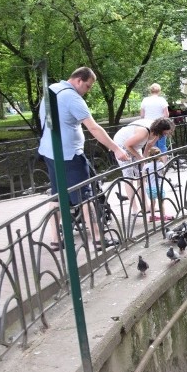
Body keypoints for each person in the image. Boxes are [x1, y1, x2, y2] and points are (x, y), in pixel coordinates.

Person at [38, 66, 129, 249]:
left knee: (57, 196)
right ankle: (98, 240)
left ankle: (56, 240)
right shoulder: (71, 96)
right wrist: (115, 148)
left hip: (50, 153)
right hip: (69, 156)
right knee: (86, 197)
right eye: (88, 86)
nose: (87, 91)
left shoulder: (52, 89)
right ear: (79, 80)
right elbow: (94, 128)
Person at [113, 118, 175, 215]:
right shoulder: (144, 132)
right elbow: (127, 144)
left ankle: (146, 207)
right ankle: (135, 208)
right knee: (128, 175)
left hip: (134, 145)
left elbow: (149, 144)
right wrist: (139, 157)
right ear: (160, 129)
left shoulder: (157, 133)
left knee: (141, 175)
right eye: (165, 133)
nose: (166, 135)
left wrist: (144, 159)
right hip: (122, 145)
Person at [142, 146, 173, 222]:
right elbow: (163, 173)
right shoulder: (160, 164)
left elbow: (143, 175)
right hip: (158, 187)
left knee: (152, 203)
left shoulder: (146, 166)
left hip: (149, 188)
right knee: (161, 202)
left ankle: (152, 216)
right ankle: (163, 216)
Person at [140, 83, 170, 153]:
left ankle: (154, 163)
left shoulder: (145, 100)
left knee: (151, 146)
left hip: (148, 126)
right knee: (162, 145)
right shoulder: (162, 100)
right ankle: (164, 163)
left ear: (150, 91)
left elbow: (142, 115)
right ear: (159, 91)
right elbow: (166, 115)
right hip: (160, 125)